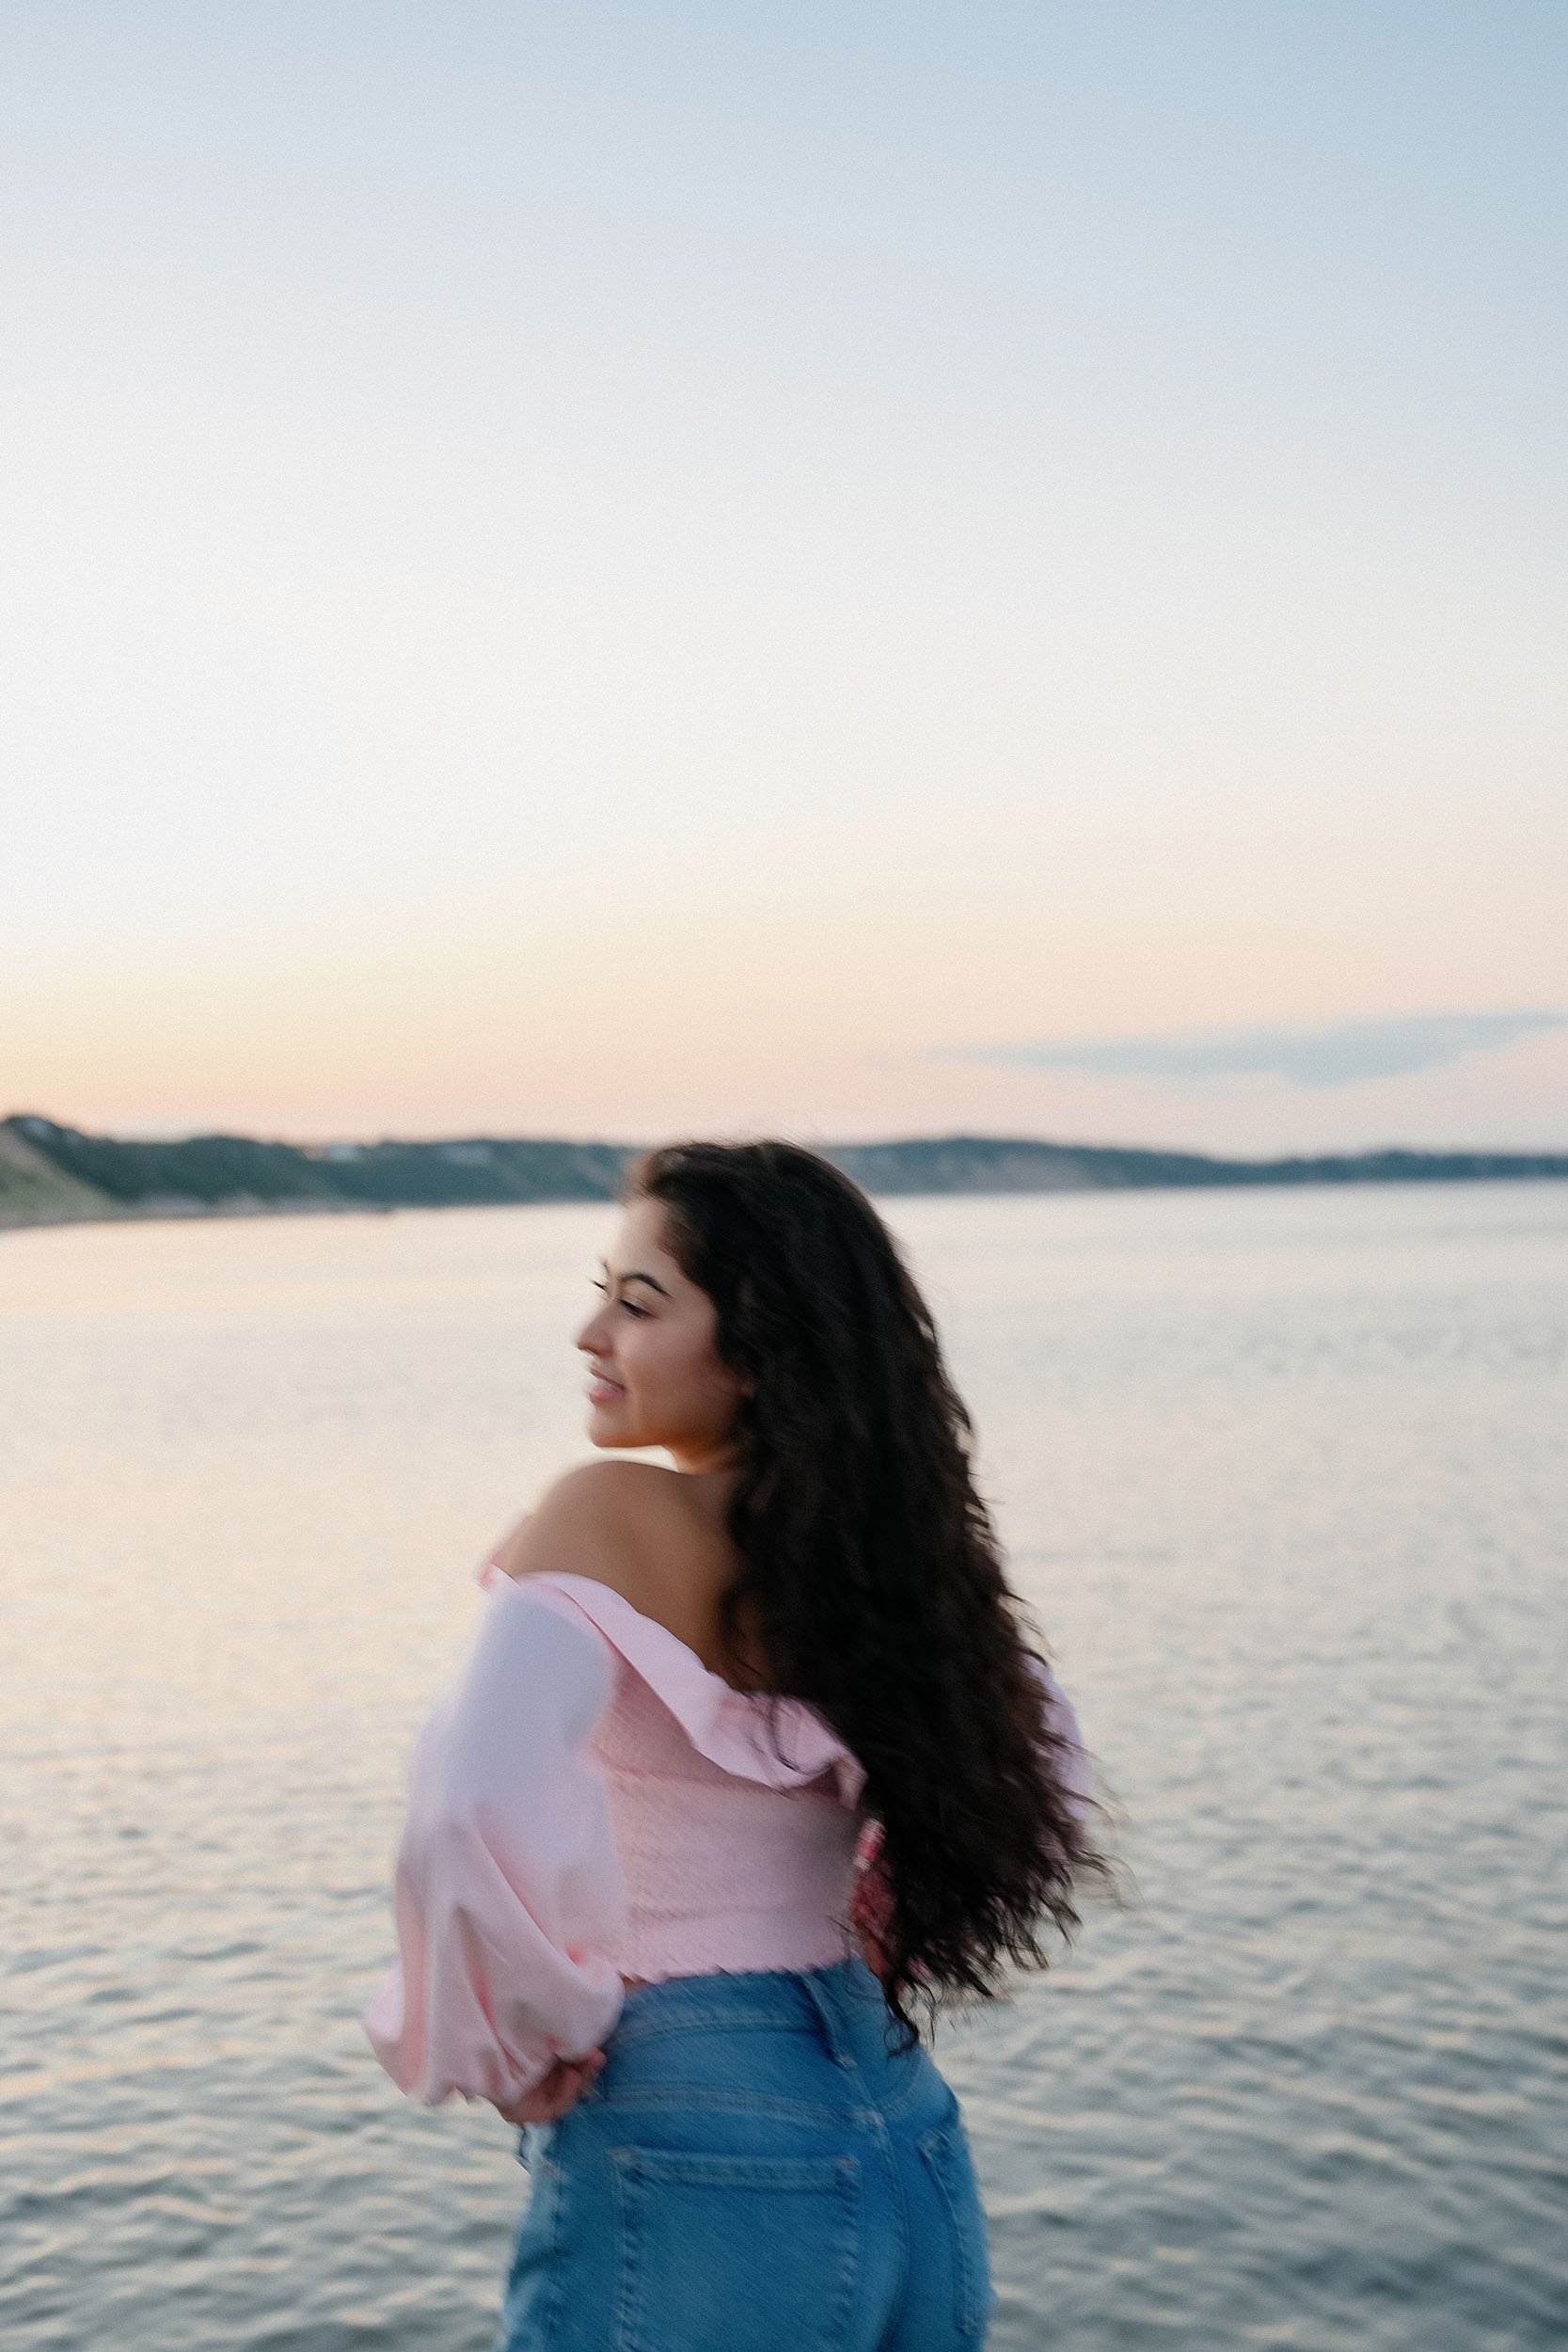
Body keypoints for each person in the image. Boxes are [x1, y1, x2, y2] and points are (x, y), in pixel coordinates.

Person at [363, 1139, 1101, 2351]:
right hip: (900, 2119)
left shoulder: (607, 1512)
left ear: (758, 1349)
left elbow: (468, 1807)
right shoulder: (895, 1567)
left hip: (691, 2116)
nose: (591, 1334)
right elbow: (1048, 1781)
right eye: (601, 1295)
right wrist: (868, 1922)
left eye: (639, 1303)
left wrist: (519, 2040)